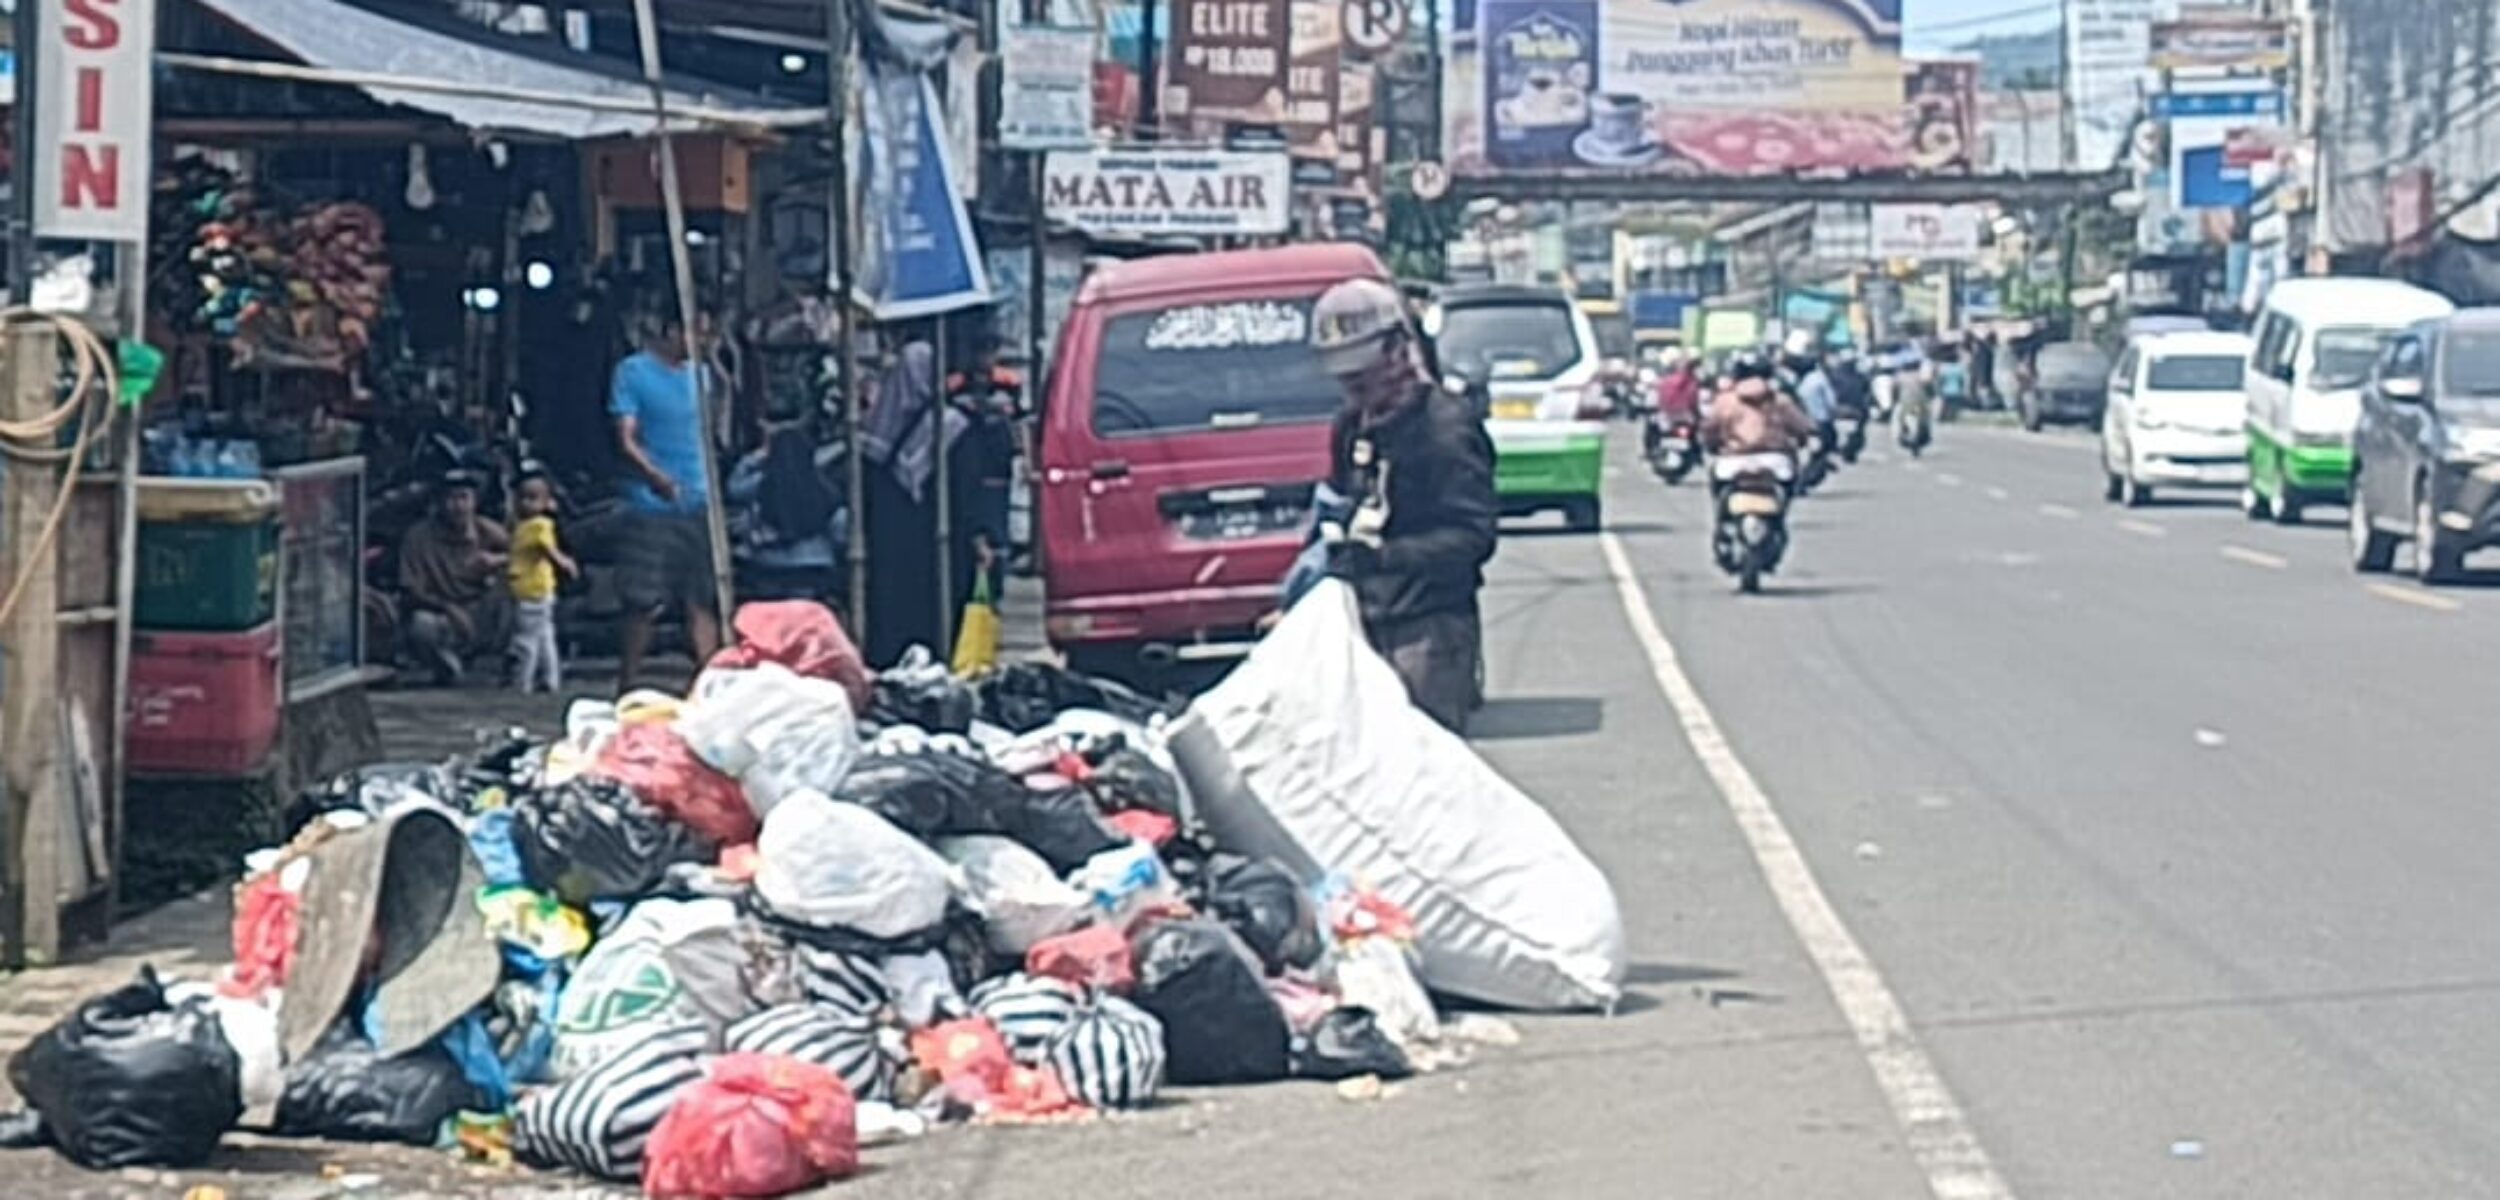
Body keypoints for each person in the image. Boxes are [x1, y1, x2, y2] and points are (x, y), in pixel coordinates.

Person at [1307, 277, 1498, 733]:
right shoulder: (1351, 426)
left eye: (1362, 373)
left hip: (1429, 630)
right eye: (1344, 377)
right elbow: (1342, 505)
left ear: (1398, 351)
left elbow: (1474, 537)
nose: (1353, 387)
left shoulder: (1445, 429)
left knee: (1425, 771)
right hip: (1363, 622)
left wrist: (1386, 558)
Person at [611, 313, 722, 689]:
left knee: (701, 598)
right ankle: (628, 685)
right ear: (672, 330)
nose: (702, 342)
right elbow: (626, 438)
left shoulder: (702, 377)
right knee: (642, 602)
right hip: (651, 503)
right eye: (696, 332)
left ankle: (708, 685)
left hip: (698, 498)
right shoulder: (633, 372)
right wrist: (654, 476)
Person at [860, 339, 975, 666]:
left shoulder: (876, 427)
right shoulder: (952, 426)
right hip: (932, 540)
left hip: (890, 542)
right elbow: (962, 491)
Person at [398, 472, 509, 686]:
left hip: (485, 611)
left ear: (474, 501)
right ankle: (446, 666)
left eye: (463, 498)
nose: (458, 506)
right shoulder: (418, 537)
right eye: (451, 499)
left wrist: (499, 561)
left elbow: (527, 558)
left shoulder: (488, 531)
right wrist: (448, 608)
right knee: (420, 625)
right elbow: (410, 590)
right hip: (445, 616)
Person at [507, 469, 578, 693]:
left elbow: (545, 547)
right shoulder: (524, 526)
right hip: (538, 588)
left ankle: (522, 682)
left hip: (531, 590)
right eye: (523, 497)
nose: (527, 503)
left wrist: (563, 562)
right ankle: (550, 678)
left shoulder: (538, 525)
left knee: (526, 640)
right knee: (544, 635)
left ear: (548, 502)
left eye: (534, 498)